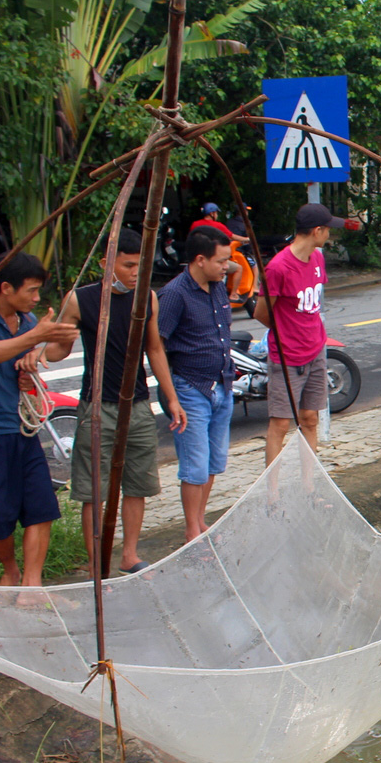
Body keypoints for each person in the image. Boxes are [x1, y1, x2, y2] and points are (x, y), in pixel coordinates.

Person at [38, 228, 188, 575]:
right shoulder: (81, 300)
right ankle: (97, 561)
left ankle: (129, 554)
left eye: (141, 266)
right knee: (95, 489)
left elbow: (154, 348)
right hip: (97, 406)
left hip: (136, 404)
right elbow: (61, 347)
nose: (135, 273)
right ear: (107, 263)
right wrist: (41, 349)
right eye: (129, 265)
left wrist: (171, 397)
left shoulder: (146, 298)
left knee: (138, 483)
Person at [0, 254, 79, 587]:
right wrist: (35, 337)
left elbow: (46, 353)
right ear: (6, 288)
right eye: (32, 291)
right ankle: (11, 571)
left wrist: (61, 338)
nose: (37, 299)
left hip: (21, 429)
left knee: (42, 506)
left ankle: (32, 585)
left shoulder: (25, 320)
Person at [157, 230, 236, 542]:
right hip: (190, 387)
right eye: (221, 260)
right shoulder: (175, 295)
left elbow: (238, 272)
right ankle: (192, 532)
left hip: (222, 383)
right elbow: (156, 347)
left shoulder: (216, 286)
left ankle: (200, 522)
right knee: (195, 465)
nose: (226, 266)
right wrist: (171, 397)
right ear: (199, 260)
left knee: (215, 461)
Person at [257, 202, 344, 465]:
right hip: (287, 356)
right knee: (281, 423)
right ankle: (271, 491)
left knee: (310, 418)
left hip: (315, 349)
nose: (330, 235)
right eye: (328, 229)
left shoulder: (317, 258)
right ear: (317, 231)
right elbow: (262, 312)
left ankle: (310, 485)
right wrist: (286, 329)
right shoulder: (278, 267)